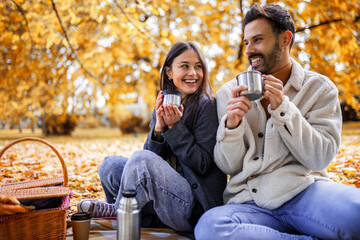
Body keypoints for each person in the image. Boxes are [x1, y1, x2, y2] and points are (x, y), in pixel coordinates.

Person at [195, 3, 360, 240]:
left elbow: (321, 156)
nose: (249, 50)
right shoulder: (228, 93)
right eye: (246, 43)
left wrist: (283, 109)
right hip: (249, 203)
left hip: (305, 192)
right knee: (210, 228)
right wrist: (231, 126)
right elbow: (229, 166)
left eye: (258, 40)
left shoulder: (319, 88)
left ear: (285, 39)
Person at [77, 42, 227, 237]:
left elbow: (203, 164)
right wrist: (159, 128)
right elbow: (149, 157)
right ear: (169, 72)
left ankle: (118, 212)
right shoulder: (165, 103)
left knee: (140, 161)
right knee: (110, 165)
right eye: (185, 66)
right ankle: (126, 212)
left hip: (194, 206)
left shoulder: (206, 105)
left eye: (198, 66)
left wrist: (175, 128)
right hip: (165, 200)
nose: (193, 73)